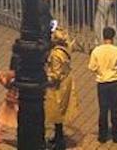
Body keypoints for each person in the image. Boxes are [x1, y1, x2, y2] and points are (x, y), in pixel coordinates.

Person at [90, 25, 117, 144]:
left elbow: (91, 67)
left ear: (103, 36)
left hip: (102, 81)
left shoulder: (97, 50)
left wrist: (99, 70)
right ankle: (116, 135)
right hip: (115, 81)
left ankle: (102, 135)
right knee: (115, 108)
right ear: (113, 36)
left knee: (103, 108)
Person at [44, 21, 74, 150]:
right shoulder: (64, 50)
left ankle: (59, 142)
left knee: (56, 112)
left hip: (57, 87)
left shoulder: (56, 54)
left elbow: (55, 74)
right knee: (60, 113)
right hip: (66, 83)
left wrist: (45, 78)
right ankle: (58, 136)